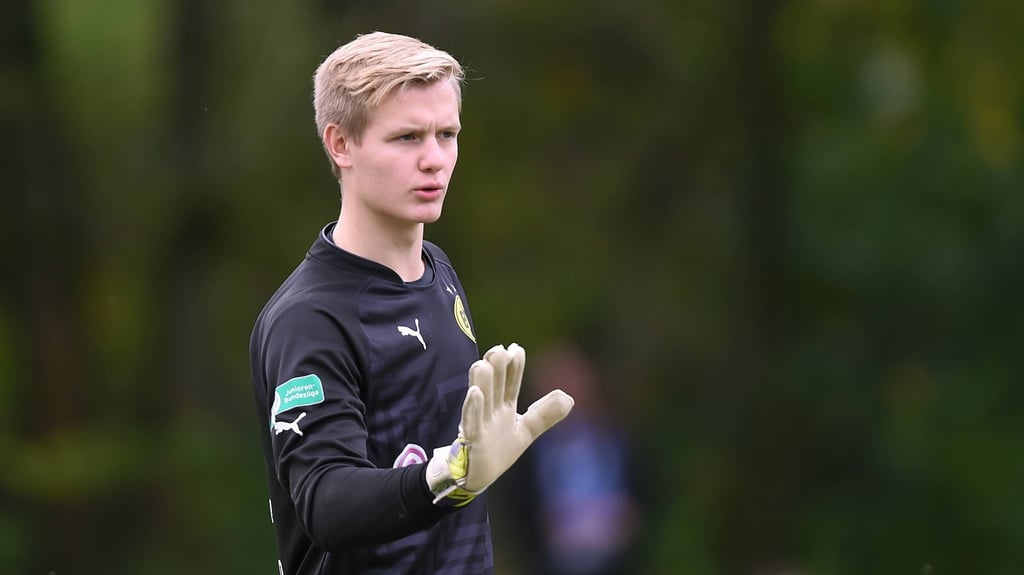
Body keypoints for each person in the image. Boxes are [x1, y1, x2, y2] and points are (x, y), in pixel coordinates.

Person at [248, 32, 574, 575]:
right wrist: (446, 474)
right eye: (406, 138)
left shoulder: (439, 271)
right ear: (340, 145)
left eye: (447, 134)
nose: (434, 160)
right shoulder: (309, 319)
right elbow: (325, 503)